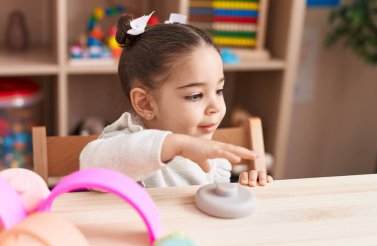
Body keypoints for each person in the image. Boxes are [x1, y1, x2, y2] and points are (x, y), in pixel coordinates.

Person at [80, 12, 273, 188]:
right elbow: (90, 168)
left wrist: (240, 188)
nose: (215, 107)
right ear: (145, 103)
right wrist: (176, 145)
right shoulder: (126, 144)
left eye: (219, 90)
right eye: (195, 95)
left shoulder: (209, 153)